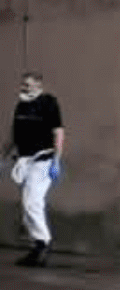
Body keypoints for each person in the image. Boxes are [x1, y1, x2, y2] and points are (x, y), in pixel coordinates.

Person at [8, 72, 63, 267]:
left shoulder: (48, 103)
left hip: (43, 159)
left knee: (32, 201)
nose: (24, 88)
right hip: (25, 160)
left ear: (38, 86)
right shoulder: (21, 105)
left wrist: (57, 159)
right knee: (28, 205)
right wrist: (4, 155)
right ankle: (36, 246)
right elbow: (14, 135)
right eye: (23, 84)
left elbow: (58, 131)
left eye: (28, 85)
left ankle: (43, 243)